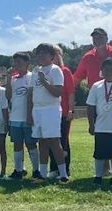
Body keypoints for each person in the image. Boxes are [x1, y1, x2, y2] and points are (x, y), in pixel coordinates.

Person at [27, 43, 69, 183]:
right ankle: (43, 175)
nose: (41, 56)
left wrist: (44, 82)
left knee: (54, 141)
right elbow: (30, 94)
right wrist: (29, 114)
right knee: (42, 142)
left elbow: (58, 92)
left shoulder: (55, 70)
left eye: (45, 53)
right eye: (39, 53)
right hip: (37, 110)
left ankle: (63, 175)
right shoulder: (35, 71)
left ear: (52, 56)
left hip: (51, 110)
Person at [86, 58, 112, 186]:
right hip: (101, 126)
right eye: (106, 70)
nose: (109, 72)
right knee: (99, 154)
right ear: (101, 71)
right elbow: (90, 106)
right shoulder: (96, 86)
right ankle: (98, 176)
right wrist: (91, 124)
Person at [6, 52, 40, 179]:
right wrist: (8, 78)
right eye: (14, 62)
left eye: (19, 62)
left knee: (31, 144)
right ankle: (19, 170)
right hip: (15, 118)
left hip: (28, 117)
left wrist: (30, 116)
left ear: (27, 63)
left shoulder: (32, 77)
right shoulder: (13, 79)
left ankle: (36, 170)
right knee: (17, 144)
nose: (16, 65)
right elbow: (8, 96)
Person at [48, 45, 75, 177]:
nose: (56, 57)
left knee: (63, 142)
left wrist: (70, 110)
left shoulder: (65, 71)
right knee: (51, 141)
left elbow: (70, 93)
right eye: (53, 54)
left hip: (63, 113)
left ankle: (65, 169)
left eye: (57, 54)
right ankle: (53, 168)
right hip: (51, 112)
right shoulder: (48, 72)